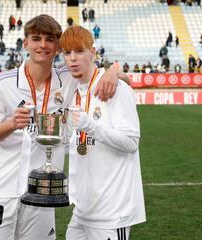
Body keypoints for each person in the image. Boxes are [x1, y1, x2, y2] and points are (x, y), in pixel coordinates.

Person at [0, 14, 122, 240]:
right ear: (25, 43)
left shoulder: (69, 77)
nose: (43, 45)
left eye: (50, 39)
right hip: (1, 188)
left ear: (57, 46)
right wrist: (12, 123)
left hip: (43, 190)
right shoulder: (3, 82)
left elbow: (109, 74)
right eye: (36, 38)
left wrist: (113, 71)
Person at [59, 25, 145, 240]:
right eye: (67, 53)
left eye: (79, 51)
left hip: (111, 212)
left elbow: (131, 142)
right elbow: (81, 146)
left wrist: (91, 126)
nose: (73, 58)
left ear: (93, 52)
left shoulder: (115, 89)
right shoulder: (73, 90)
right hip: (82, 210)